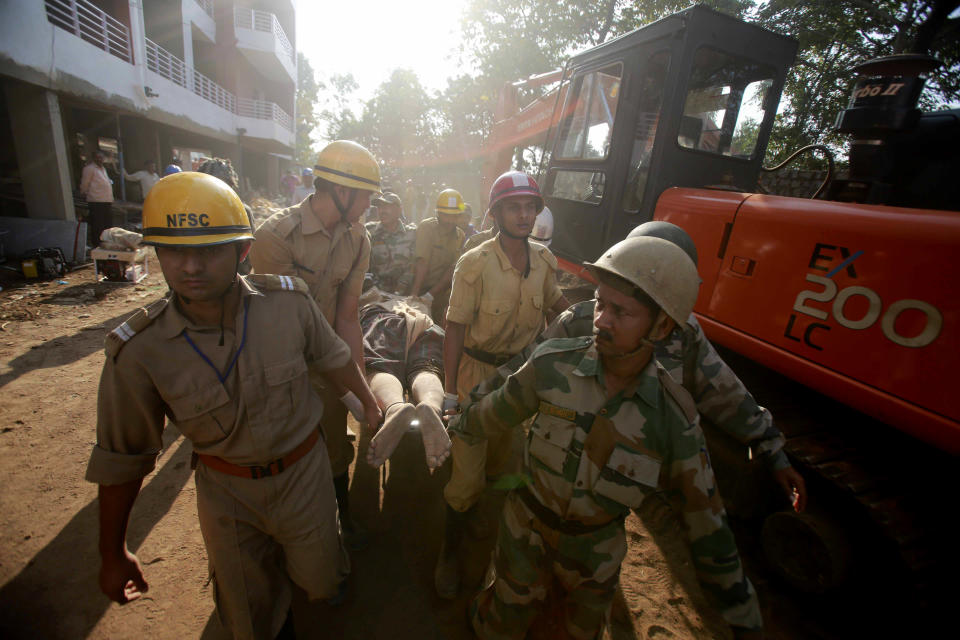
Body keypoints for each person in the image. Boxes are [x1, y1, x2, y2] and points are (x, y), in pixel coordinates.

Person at [86, 171, 382, 640]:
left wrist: (367, 401)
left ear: (242, 252)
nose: (191, 267)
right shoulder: (139, 352)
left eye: (209, 250)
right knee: (249, 614)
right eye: (174, 252)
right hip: (226, 491)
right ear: (156, 254)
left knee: (324, 580)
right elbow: (123, 460)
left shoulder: (288, 306)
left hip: (303, 474)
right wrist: (113, 551)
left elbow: (335, 357)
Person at [449, 235, 763, 639]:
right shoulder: (553, 365)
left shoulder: (673, 420)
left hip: (593, 560)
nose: (600, 319)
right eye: (600, 303)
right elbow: (489, 414)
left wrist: (744, 620)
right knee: (499, 624)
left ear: (663, 325)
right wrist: (450, 426)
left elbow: (709, 531)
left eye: (621, 311)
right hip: (522, 536)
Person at [470, 221, 808, 512]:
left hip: (615, 483)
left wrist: (772, 450)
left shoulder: (684, 336)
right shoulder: (583, 319)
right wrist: (468, 402)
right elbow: (524, 368)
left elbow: (725, 393)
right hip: (555, 464)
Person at [435, 171, 570, 598]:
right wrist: (452, 394)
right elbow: (454, 329)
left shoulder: (545, 263)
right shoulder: (474, 264)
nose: (525, 215)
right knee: (465, 482)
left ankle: (492, 541)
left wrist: (589, 320)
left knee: (508, 470)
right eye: (515, 207)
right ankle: (448, 553)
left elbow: (558, 310)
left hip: (520, 380)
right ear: (496, 213)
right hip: (476, 379)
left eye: (531, 207)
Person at [249, 140, 379, 548]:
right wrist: (347, 385)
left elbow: (347, 318)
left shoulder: (358, 239)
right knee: (281, 456)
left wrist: (358, 389)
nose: (369, 206)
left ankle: (339, 520)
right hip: (279, 364)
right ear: (342, 192)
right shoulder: (275, 236)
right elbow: (283, 326)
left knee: (335, 451)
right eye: (367, 197)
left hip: (328, 364)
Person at [356, 288, 451, 472]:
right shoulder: (422, 300)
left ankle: (394, 407)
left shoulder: (369, 300)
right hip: (426, 324)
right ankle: (431, 405)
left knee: (380, 368)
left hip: (383, 322)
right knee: (426, 370)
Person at [409, 188, 467, 321]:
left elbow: (452, 269)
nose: (450, 220)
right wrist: (414, 295)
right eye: (446, 215)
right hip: (419, 287)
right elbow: (422, 262)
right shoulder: (427, 228)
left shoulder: (460, 236)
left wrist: (430, 295)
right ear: (438, 213)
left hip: (440, 294)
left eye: (454, 216)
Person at [365, 191, 417, 294]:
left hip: (402, 297)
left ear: (399, 209)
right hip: (373, 294)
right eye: (380, 207)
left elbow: (413, 266)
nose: (382, 211)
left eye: (387, 207)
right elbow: (364, 267)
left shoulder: (412, 234)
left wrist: (400, 288)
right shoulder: (369, 232)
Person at [79, 150, 114, 245]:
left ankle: (106, 243)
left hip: (106, 201)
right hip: (96, 201)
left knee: (107, 225)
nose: (100, 159)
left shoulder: (103, 169)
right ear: (94, 158)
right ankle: (97, 244)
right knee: (97, 225)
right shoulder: (89, 168)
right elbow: (85, 184)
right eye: (98, 157)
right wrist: (84, 193)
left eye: (101, 157)